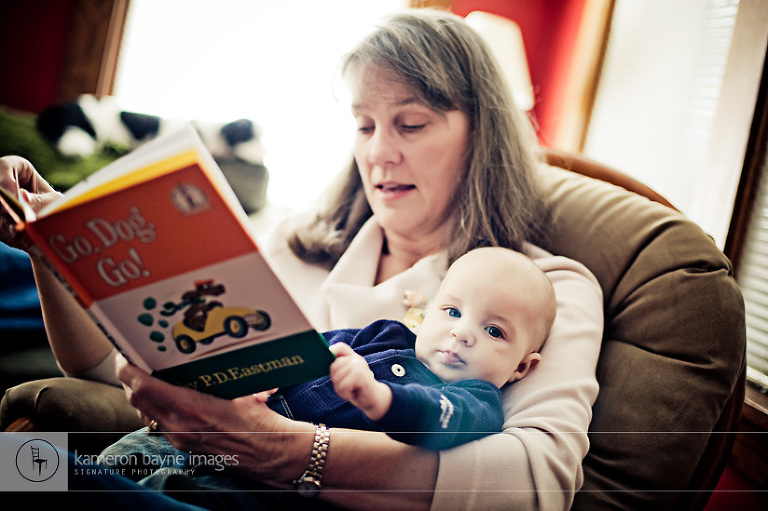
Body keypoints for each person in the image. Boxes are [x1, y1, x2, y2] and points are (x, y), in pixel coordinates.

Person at [0, 8, 603, 510]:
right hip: (173, 469)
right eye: (364, 125)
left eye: (411, 124)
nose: (380, 153)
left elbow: (534, 482)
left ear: (483, 134)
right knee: (20, 470)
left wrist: (288, 449)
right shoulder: (298, 245)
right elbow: (105, 369)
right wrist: (48, 250)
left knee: (32, 477)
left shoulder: (538, 288)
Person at [100, 246, 556, 474]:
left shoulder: (475, 398)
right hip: (218, 432)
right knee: (111, 460)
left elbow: (439, 421)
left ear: (522, 367)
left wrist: (381, 399)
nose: (462, 332)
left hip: (265, 484)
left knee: (163, 489)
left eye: (494, 331)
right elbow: (310, 348)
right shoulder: (386, 334)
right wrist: (263, 374)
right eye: (452, 311)